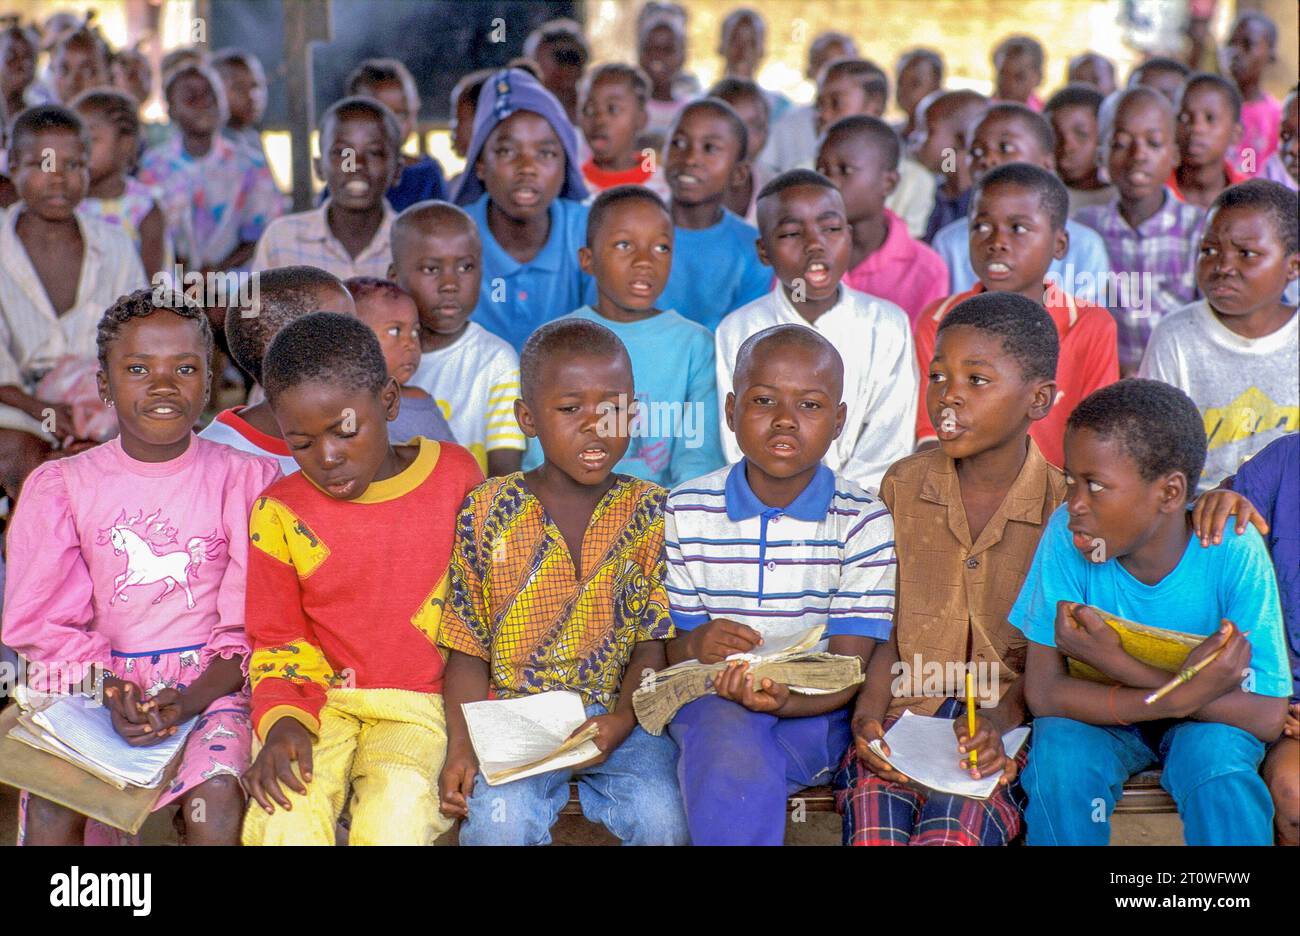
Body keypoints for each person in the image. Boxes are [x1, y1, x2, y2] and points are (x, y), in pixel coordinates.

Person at [2, 288, 280, 845]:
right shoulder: (63, 487)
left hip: (216, 687)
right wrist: (113, 691)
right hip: (94, 684)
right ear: (104, 385)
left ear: (208, 381)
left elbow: (253, 620)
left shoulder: (246, 481)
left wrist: (190, 700)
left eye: (184, 368)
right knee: (57, 800)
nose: (162, 385)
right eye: (136, 368)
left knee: (217, 793)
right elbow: (45, 626)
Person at [437, 318, 689, 846]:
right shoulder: (488, 509)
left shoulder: (650, 511)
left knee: (664, 815)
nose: (595, 426)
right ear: (527, 418)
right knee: (498, 824)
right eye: (570, 409)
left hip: (624, 719)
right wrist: (460, 747)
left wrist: (622, 719)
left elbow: (652, 646)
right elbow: (466, 650)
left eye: (611, 409)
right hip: (517, 720)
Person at [1013, 379, 1292, 845]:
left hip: (1208, 726)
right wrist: (1180, 693)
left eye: (1096, 486)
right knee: (1059, 756)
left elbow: (1264, 715)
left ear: (1169, 493)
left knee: (1219, 763)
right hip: (1102, 720)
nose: (1075, 504)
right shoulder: (1067, 534)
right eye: (1070, 481)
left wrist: (1119, 665)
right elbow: (1044, 693)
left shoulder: (1230, 550)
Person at [240, 312, 483, 845]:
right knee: (284, 814)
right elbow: (277, 638)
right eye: (301, 443)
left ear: (389, 402)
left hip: (421, 705)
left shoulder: (457, 477)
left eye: (345, 429)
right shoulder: (279, 512)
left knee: (395, 816)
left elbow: (481, 614)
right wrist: (281, 722)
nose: (328, 457)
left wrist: (467, 731)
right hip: (317, 703)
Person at [836, 293, 1061, 845]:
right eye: (938, 376)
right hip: (901, 716)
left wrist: (1000, 725)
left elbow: (1052, 658)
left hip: (1007, 729)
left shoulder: (1065, 507)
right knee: (873, 826)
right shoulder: (903, 486)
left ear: (1039, 399)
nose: (949, 396)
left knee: (951, 834)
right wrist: (867, 718)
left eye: (976, 380)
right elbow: (887, 623)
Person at [664, 324, 896, 845]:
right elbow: (671, 651)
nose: (786, 420)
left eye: (811, 406)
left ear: (838, 420)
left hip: (817, 712)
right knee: (727, 739)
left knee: (739, 769)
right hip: (714, 701)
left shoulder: (861, 519)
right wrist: (697, 644)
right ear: (730, 411)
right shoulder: (684, 510)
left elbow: (848, 666)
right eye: (764, 399)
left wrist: (782, 699)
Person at [716, 170, 917, 491]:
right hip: (765, 503)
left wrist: (844, 502)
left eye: (831, 229)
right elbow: (737, 436)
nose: (815, 244)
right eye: (792, 234)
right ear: (763, 251)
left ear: (849, 236)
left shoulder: (887, 324)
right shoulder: (739, 329)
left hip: (863, 506)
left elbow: (890, 435)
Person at [914, 163, 1118, 468]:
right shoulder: (940, 319)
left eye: (1018, 228)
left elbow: (1097, 443)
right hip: (962, 493)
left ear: (1059, 244)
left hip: (1059, 499)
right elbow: (931, 436)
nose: (996, 242)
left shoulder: (1090, 325)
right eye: (981, 226)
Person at [526, 185, 722, 487]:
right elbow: (542, 454)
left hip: (664, 516)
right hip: (568, 514)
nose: (645, 261)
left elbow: (698, 456)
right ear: (587, 259)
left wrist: (675, 515)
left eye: (661, 248)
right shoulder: (557, 342)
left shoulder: (696, 344)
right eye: (623, 245)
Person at [0, 105, 146, 500]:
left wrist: (90, 411)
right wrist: (43, 410)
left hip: (102, 399)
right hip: (16, 404)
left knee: (134, 451)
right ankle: (30, 556)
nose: (60, 178)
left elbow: (136, 339)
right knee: (20, 456)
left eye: (74, 164)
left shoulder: (113, 246)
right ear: (12, 166)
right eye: (43, 163)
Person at [1139, 179, 1298, 491]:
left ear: (1293, 266)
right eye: (1209, 250)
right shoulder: (1176, 337)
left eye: (1246, 254)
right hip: (1200, 518)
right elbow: (1155, 454)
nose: (1223, 266)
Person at [1192, 433, 1299, 845]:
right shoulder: (1287, 460)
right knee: (1293, 798)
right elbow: (1217, 519)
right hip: (1282, 708)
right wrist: (1215, 504)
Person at [452, 67, 592, 353]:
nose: (527, 168)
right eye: (506, 151)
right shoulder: (451, 238)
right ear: (479, 164)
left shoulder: (589, 232)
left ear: (565, 167)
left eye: (546, 153)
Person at [1076, 87, 1208, 374]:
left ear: (1174, 155)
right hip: (1105, 384)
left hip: (1179, 384)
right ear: (1101, 156)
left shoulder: (1200, 231)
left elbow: (1209, 325)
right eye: (1121, 143)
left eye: (1154, 142)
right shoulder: (1083, 232)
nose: (1138, 155)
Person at [390, 200, 525, 477]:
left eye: (465, 267)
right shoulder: (378, 353)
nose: (450, 284)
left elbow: (505, 476)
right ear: (395, 277)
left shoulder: (496, 361)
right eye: (431, 269)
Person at [930, 103, 1111, 295]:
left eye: (1006, 148)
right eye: (976, 151)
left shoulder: (1084, 246)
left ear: (1046, 163)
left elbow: (1087, 321)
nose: (987, 159)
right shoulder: (950, 244)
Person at [200, 265, 355, 475]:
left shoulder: (363, 439)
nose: (361, 341)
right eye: (343, 330)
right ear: (283, 346)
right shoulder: (215, 461)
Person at [138, 63, 283, 272]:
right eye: (190, 98)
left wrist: (217, 272)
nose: (203, 103)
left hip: (235, 289)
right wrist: (183, 274)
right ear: (171, 110)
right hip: (169, 285)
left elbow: (265, 232)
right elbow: (147, 233)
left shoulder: (250, 165)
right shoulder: (154, 167)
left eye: (211, 95)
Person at [816, 115, 948, 324]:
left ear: (888, 183)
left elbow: (922, 351)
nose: (828, 183)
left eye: (844, 170)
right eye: (821, 171)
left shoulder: (925, 270)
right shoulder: (803, 253)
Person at [251, 96, 399, 280]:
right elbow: (257, 308)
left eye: (374, 152)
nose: (356, 164)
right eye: (342, 152)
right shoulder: (281, 241)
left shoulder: (413, 246)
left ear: (397, 171)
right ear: (319, 167)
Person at [657, 98, 771, 331]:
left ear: (739, 173)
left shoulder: (753, 249)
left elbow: (741, 338)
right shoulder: (631, 229)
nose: (690, 158)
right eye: (678, 142)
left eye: (710, 148)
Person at [815, 57, 936, 240]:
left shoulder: (916, 180)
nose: (823, 114)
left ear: (875, 106)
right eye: (819, 104)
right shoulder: (802, 171)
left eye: (836, 103)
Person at [344, 276, 454, 446]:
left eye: (415, 332)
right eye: (395, 331)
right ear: (350, 338)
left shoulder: (418, 403)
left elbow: (454, 463)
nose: (410, 344)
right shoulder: (330, 404)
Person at [71, 87, 168, 277]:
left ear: (126, 145)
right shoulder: (68, 201)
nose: (80, 150)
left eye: (91, 140)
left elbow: (151, 284)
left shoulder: (144, 208)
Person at [345, 58, 449, 211]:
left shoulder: (426, 176)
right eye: (380, 116)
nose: (392, 126)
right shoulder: (344, 173)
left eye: (402, 115)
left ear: (415, 110)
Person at [761, 30, 856, 177]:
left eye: (842, 66)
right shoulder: (786, 125)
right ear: (809, 70)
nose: (833, 74)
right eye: (824, 64)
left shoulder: (870, 133)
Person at [916, 89, 989, 242]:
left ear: (961, 140)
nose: (915, 138)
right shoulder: (931, 192)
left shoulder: (983, 202)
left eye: (928, 131)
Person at [578, 63, 661, 195]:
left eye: (613, 109)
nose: (599, 120)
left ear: (641, 118)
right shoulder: (573, 186)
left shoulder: (664, 186)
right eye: (589, 109)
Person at [1172, 73, 1248, 208]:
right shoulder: (1155, 190)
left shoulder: (1249, 198)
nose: (1196, 128)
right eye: (1184, 117)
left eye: (1210, 118)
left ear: (1235, 133)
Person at [1224, 11, 1282, 177]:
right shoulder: (1207, 110)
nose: (1235, 53)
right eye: (1230, 44)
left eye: (1248, 45)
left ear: (1270, 54)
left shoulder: (1277, 118)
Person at [1044, 84, 1115, 216]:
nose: (1067, 146)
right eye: (1056, 135)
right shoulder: (1038, 197)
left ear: (1104, 137)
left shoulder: (1120, 200)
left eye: (1081, 134)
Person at [709, 76, 772, 222]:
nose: (743, 137)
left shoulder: (779, 192)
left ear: (766, 133)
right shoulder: (679, 187)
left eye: (755, 126)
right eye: (732, 125)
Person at [524, 18, 589, 126]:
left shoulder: (592, 114)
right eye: (559, 59)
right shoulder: (521, 112)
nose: (566, 69)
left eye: (572, 59)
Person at [212, 48, 269, 164]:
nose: (252, 96)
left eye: (256, 86)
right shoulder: (204, 146)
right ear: (213, 91)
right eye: (239, 87)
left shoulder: (251, 140)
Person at [894, 49, 943, 144]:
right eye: (900, 82)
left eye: (915, 83)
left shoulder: (943, 144)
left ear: (936, 86)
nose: (904, 90)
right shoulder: (888, 135)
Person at [992, 35, 1044, 111]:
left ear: (1038, 78)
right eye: (1003, 76)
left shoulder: (1045, 118)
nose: (1009, 84)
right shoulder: (978, 115)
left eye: (1019, 77)